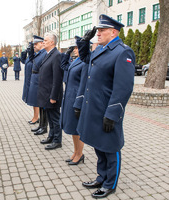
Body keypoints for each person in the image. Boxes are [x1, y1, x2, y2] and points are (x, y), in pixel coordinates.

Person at [76, 14, 135, 198]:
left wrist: (113, 113)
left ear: (114, 32)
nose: (98, 33)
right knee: (99, 146)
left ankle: (110, 184)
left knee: (110, 148)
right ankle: (101, 177)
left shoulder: (122, 52)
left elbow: (123, 87)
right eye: (98, 30)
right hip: (94, 108)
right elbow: (86, 59)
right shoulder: (102, 49)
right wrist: (84, 42)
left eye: (102, 30)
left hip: (107, 110)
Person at [60, 36, 87, 165]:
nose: (75, 50)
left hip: (77, 98)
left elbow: (84, 83)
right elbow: (64, 66)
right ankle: (75, 152)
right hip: (69, 97)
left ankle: (80, 154)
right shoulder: (77, 60)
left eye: (77, 47)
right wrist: (67, 53)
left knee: (77, 129)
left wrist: (79, 102)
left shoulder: (86, 61)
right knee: (72, 127)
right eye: (75, 47)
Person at [38, 32, 63, 150]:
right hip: (46, 93)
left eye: (45, 41)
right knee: (50, 116)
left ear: (52, 42)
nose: (43, 42)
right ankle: (51, 136)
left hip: (52, 94)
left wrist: (54, 96)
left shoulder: (57, 55)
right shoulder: (49, 54)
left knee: (55, 118)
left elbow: (57, 78)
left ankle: (57, 140)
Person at [27, 35, 48, 135]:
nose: (34, 46)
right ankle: (41, 125)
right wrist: (31, 49)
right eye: (33, 44)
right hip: (36, 79)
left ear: (42, 43)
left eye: (36, 44)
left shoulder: (44, 54)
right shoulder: (39, 53)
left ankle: (44, 127)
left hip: (40, 80)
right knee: (39, 104)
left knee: (42, 106)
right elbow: (31, 59)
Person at [21, 42, 39, 124]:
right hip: (29, 81)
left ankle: (36, 117)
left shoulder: (36, 56)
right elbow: (23, 60)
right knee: (32, 101)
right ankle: (35, 116)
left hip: (34, 81)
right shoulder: (30, 57)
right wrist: (24, 52)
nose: (33, 47)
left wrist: (31, 52)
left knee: (35, 101)